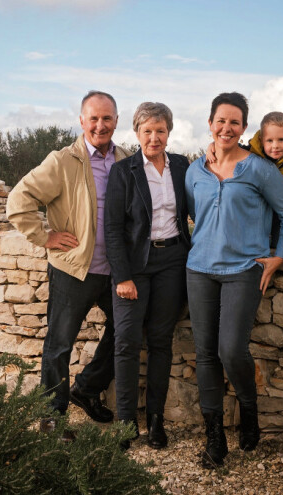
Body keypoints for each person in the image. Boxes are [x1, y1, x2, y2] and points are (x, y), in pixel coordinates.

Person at [5, 91, 132, 433]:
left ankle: (87, 390)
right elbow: (18, 200)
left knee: (128, 330)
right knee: (59, 344)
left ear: (116, 121)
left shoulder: (126, 159)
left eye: (107, 118)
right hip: (73, 270)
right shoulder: (62, 161)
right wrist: (44, 236)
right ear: (81, 121)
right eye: (93, 118)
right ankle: (51, 417)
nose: (100, 125)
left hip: (115, 272)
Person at [185, 92, 283, 468]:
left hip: (243, 270)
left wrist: (280, 255)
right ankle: (214, 437)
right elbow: (192, 212)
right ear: (210, 123)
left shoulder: (260, 170)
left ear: (244, 128)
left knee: (230, 351)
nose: (226, 128)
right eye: (221, 120)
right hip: (199, 268)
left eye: (235, 122)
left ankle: (249, 408)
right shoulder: (196, 170)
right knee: (205, 354)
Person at [104, 102, 190, 450]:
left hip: (172, 261)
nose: (154, 137)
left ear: (168, 132)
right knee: (126, 342)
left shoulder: (182, 166)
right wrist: (122, 276)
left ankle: (155, 421)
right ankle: (126, 423)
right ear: (137, 133)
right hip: (135, 266)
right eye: (147, 131)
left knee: (160, 341)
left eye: (160, 130)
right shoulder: (124, 171)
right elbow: (111, 228)